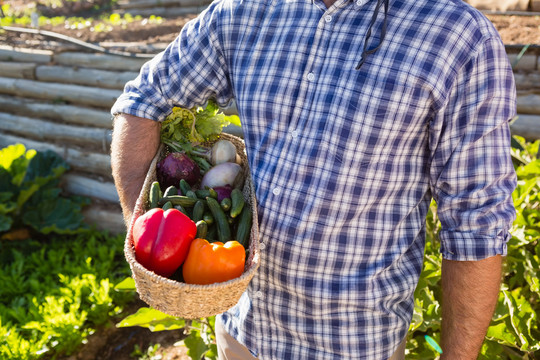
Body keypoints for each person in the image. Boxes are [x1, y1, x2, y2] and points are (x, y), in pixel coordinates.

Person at [110, 0, 517, 357]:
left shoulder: (458, 37)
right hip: (242, 336)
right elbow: (143, 101)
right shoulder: (244, 11)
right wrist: (147, 238)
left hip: (354, 345)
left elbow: (474, 224)